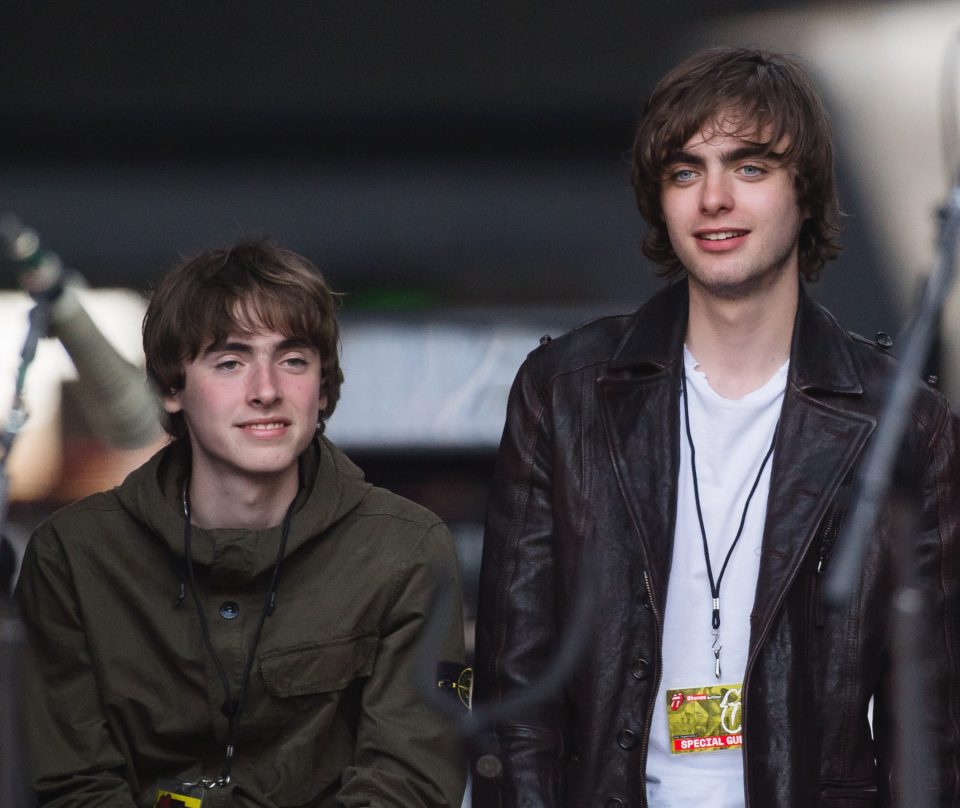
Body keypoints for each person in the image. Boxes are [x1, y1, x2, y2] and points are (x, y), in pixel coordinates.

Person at [474, 47, 960, 807]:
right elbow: (515, 693)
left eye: (751, 168)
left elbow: (929, 724)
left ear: (806, 193)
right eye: (684, 171)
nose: (714, 198)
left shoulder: (901, 421)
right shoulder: (565, 393)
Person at [16, 239, 467, 807]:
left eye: (294, 360)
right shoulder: (75, 557)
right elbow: (71, 787)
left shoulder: (405, 549)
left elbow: (411, 784)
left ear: (323, 387)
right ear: (172, 387)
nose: (266, 391)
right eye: (230, 362)